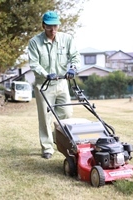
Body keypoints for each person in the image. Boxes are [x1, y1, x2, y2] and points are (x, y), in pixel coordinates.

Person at [28, 11, 80, 159]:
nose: (53, 30)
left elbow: (75, 56)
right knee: (45, 117)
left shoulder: (66, 39)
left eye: (55, 26)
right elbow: (34, 63)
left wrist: (73, 68)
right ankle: (47, 148)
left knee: (67, 114)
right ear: (43, 26)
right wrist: (46, 74)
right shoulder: (34, 42)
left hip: (62, 83)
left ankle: (59, 140)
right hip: (44, 85)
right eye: (50, 27)